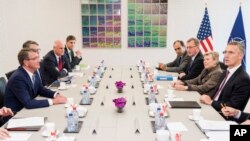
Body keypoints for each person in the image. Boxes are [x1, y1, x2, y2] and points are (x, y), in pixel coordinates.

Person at [4, 48, 67, 113]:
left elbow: (41, 89)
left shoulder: (34, 72)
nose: (39, 60)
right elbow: (28, 103)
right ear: (26, 62)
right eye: (35, 58)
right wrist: (54, 101)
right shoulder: (18, 78)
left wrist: (55, 95)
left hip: (28, 111)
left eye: (38, 58)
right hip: (16, 115)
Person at [200, 41, 250, 112]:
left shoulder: (243, 78)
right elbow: (217, 93)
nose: (226, 55)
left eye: (231, 52)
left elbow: (233, 106)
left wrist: (211, 102)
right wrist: (208, 97)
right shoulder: (225, 72)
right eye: (225, 52)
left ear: (240, 55)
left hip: (222, 115)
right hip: (211, 107)